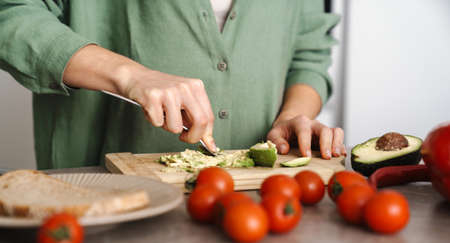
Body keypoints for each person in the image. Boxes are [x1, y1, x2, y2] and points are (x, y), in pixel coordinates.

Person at [0, 0, 344, 170]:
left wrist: (292, 117)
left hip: (261, 210)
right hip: (103, 205)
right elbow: (12, 14)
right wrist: (128, 74)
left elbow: (308, 51)